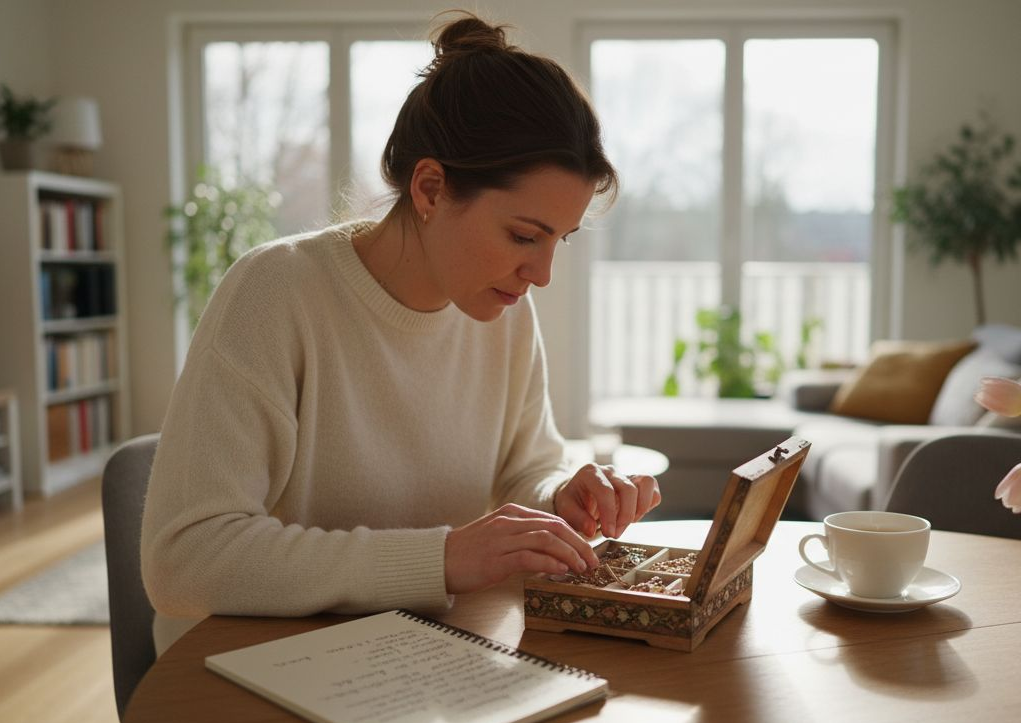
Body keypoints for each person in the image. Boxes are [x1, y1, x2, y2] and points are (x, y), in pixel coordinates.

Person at [141, 12, 661, 655]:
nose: (543, 274)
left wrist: (559, 498)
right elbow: (184, 559)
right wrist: (441, 559)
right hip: (258, 661)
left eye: (560, 240)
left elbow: (526, 467)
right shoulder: (275, 293)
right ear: (431, 188)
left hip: (420, 653)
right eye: (524, 236)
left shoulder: (504, 312)